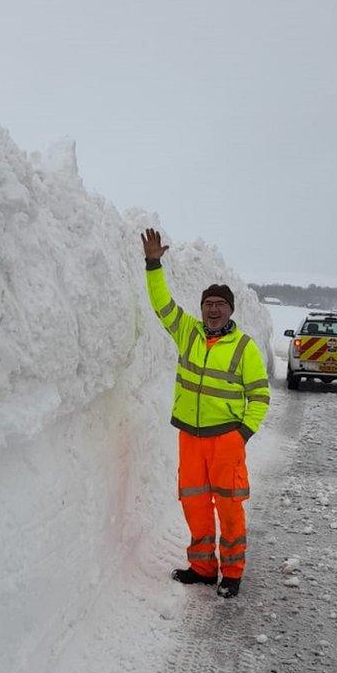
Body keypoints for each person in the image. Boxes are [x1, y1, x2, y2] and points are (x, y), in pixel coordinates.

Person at [141, 227, 270, 598]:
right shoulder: (188, 333)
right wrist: (153, 264)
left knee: (229, 509)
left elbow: (260, 396)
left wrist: (241, 434)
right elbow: (161, 304)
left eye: (220, 304)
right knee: (195, 503)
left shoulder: (244, 347)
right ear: (202, 309)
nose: (213, 309)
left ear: (230, 309)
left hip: (226, 440)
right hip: (190, 439)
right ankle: (201, 567)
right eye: (208, 304)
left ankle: (232, 572)